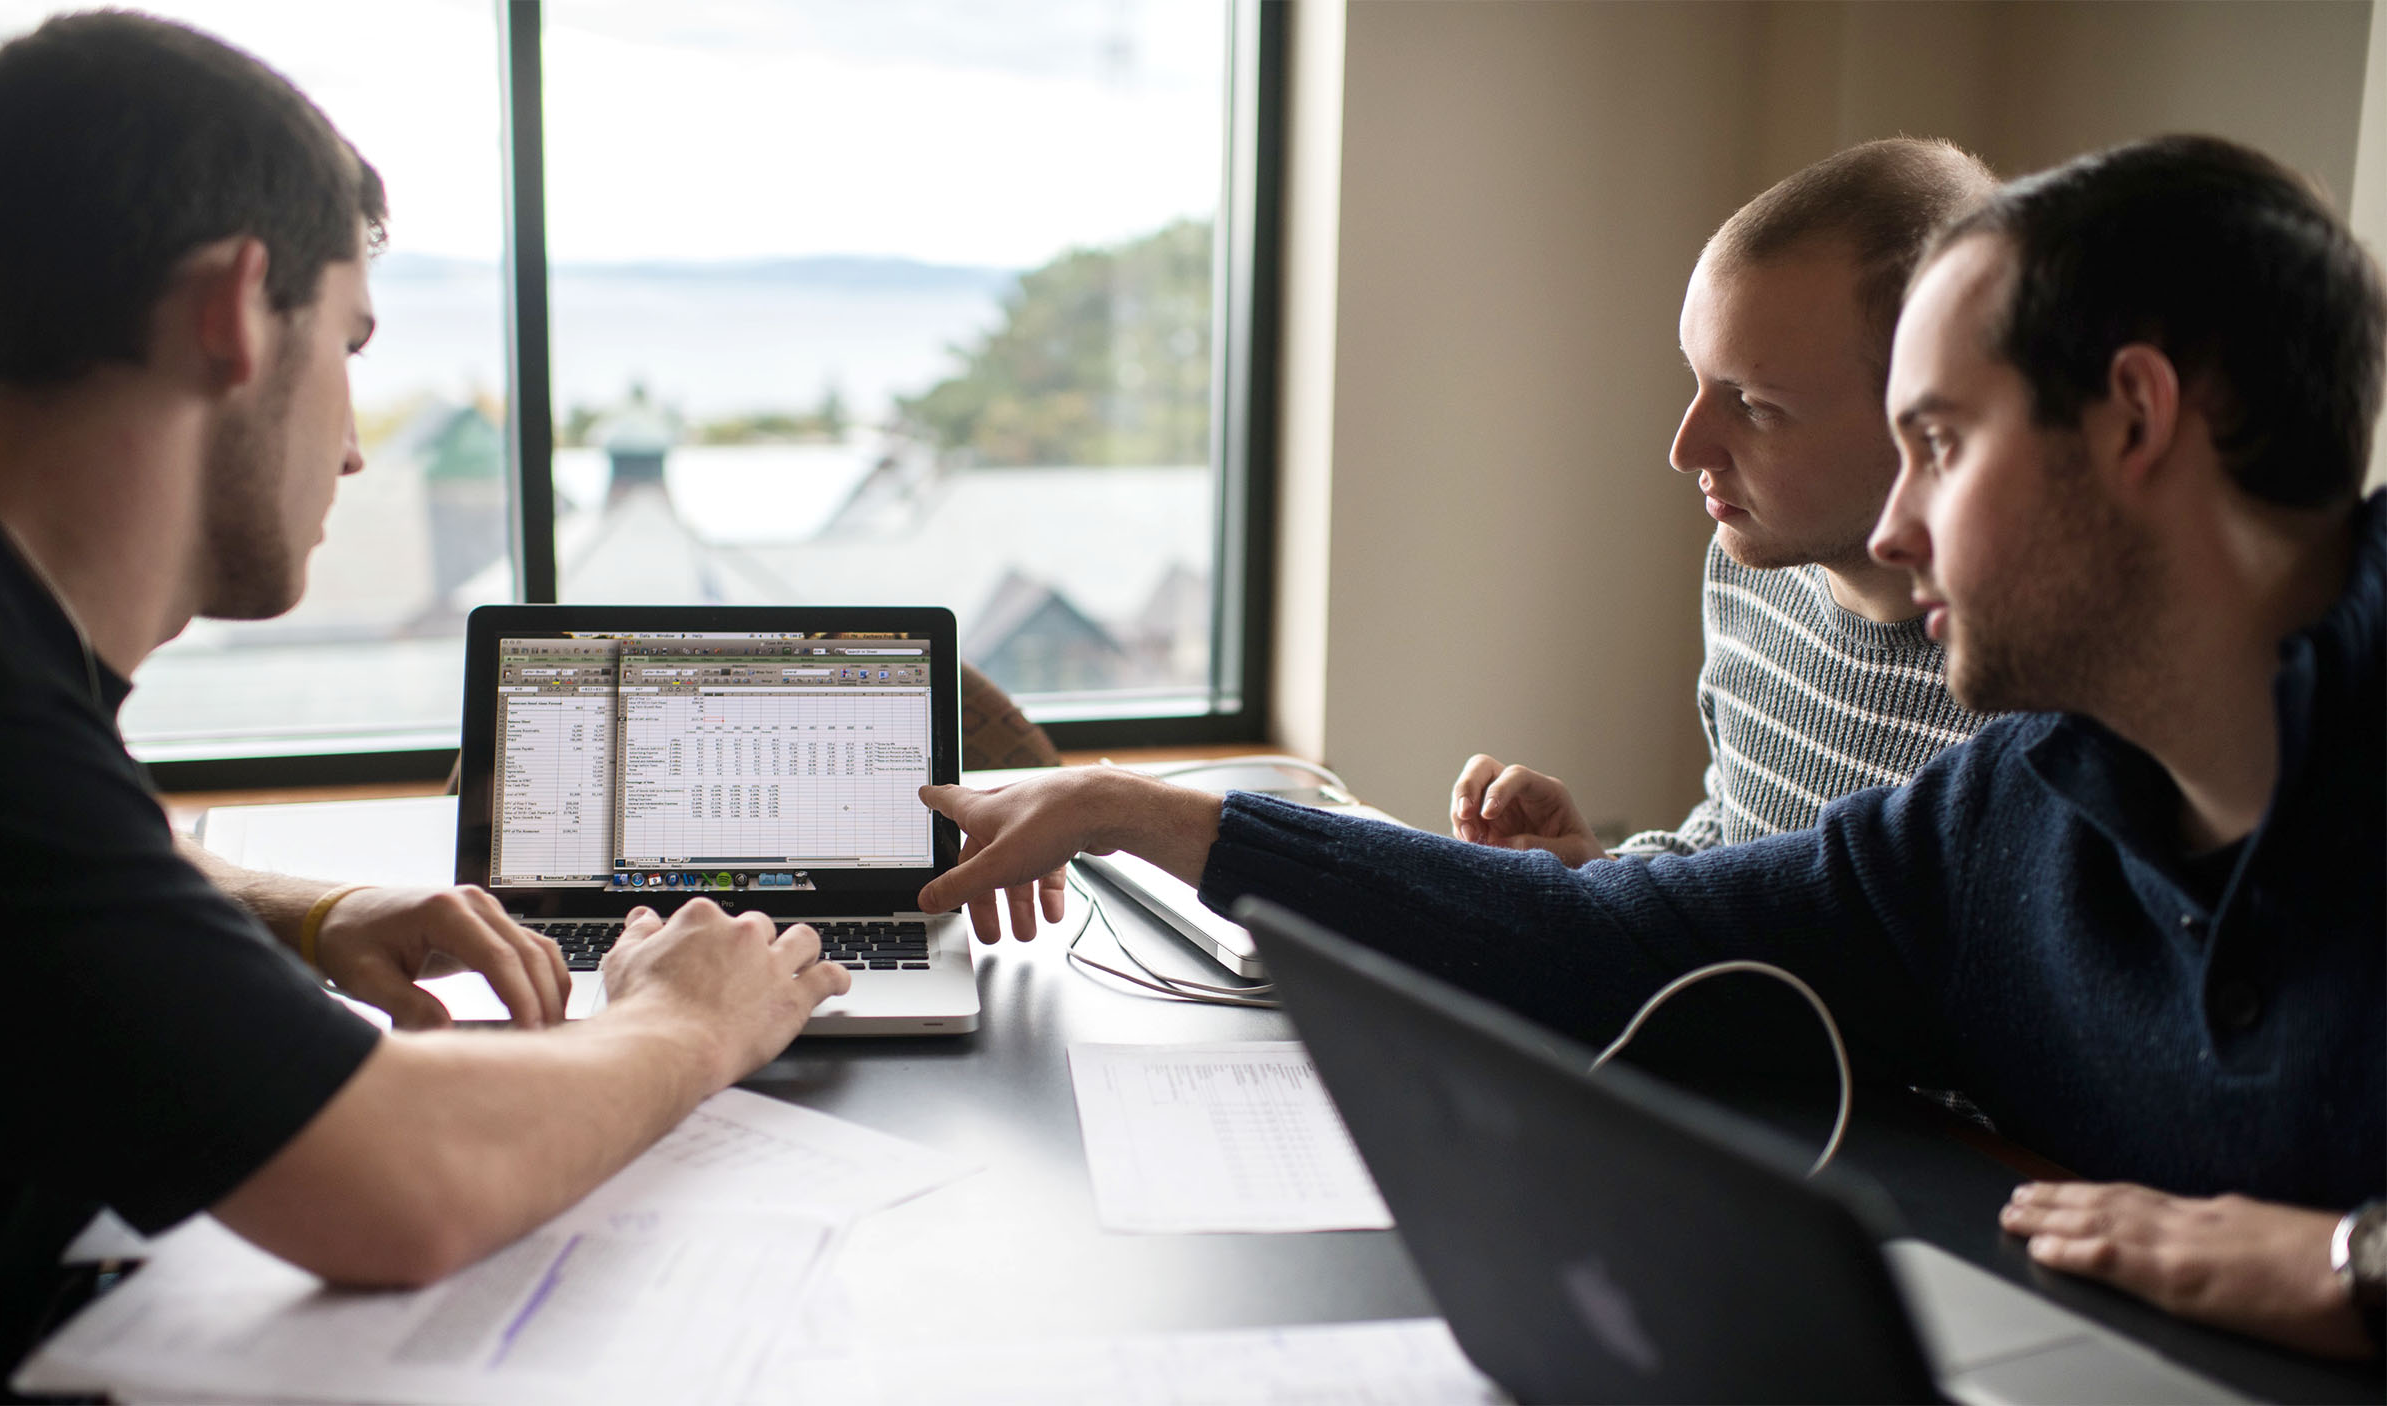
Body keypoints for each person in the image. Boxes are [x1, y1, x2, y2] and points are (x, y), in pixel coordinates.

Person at [918, 134, 2386, 1360]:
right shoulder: (2007, 815)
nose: (1894, 526)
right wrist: (1146, 811)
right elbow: (1610, 940)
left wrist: (2351, 1263)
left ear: (2134, 419)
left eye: (1939, 443)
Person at [0, 15, 848, 1400]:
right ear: (232, 312)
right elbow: (401, 1185)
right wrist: (690, 1020)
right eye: (347, 342)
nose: (348, 447)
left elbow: (55, 863)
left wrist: (311, 911)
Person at [1452, 138, 1996, 864]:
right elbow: (1731, 841)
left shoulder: (2023, 707)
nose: (1686, 450)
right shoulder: (1749, 572)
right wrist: (1602, 872)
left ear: (1927, 421)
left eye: (1754, 405)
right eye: (1698, 378)